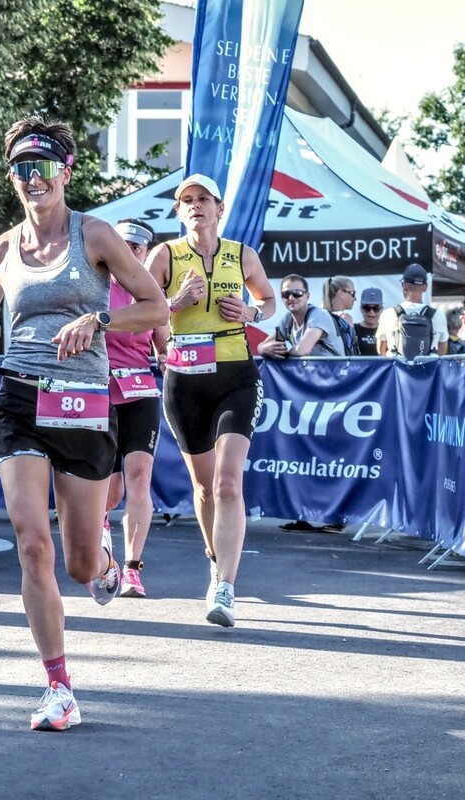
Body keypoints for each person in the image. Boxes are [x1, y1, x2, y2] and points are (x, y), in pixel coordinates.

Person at [0, 117, 166, 731]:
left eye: (44, 166)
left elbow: (153, 308)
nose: (33, 178)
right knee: (31, 541)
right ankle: (58, 687)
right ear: (11, 176)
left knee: (76, 564)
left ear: (67, 172)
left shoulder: (95, 235)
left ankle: (102, 562)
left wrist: (97, 323)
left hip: (82, 403)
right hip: (20, 399)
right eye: (22, 167)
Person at [145, 173, 276, 627]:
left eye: (204, 199)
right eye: (187, 200)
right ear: (179, 212)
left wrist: (252, 312)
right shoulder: (165, 255)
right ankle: (214, 560)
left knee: (227, 482)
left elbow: (269, 299)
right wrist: (176, 300)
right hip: (184, 378)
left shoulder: (242, 255)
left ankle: (226, 587)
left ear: (220, 209)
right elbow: (141, 309)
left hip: (236, 374)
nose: (196, 206)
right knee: (203, 488)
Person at [104, 218, 169, 598]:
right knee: (109, 492)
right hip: (101, 392)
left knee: (139, 475)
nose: (129, 253)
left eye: (137, 248)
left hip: (141, 392)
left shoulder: (152, 293)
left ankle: (132, 568)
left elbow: (165, 343)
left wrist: (168, 356)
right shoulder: (96, 287)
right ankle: (102, 535)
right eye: (123, 245)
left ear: (145, 253)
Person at [258, 274, 343, 358]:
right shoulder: (287, 320)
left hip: (334, 370)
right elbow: (263, 346)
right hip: (311, 370)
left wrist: (282, 354)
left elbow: (302, 350)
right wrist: (263, 349)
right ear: (282, 298)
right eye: (286, 294)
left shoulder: (319, 314)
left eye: (297, 293)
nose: (291, 298)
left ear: (307, 296)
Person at [377, 263, 448, 357]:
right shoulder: (438, 315)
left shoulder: (388, 314)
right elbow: (442, 351)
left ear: (404, 286)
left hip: (397, 370)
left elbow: (381, 350)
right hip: (427, 370)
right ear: (425, 286)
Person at [354, 287, 383, 355]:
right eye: (367, 308)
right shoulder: (353, 330)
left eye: (376, 308)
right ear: (361, 309)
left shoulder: (386, 330)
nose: (371, 312)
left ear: (381, 309)